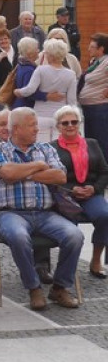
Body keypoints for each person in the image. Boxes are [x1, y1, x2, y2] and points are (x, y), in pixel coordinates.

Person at [0, 107, 82, 310]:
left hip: (46, 213)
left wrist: (24, 173)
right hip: (11, 213)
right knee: (18, 236)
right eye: (32, 125)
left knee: (75, 235)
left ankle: (59, 287)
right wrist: (39, 166)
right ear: (16, 129)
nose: (36, 129)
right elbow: (7, 173)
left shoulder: (46, 149)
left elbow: (60, 177)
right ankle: (34, 288)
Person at [50, 106, 108, 280]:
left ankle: (96, 259)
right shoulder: (51, 148)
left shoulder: (92, 143)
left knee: (105, 215)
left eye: (74, 122)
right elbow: (51, 178)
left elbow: (104, 171)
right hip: (65, 196)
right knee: (70, 226)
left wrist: (95, 188)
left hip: (91, 193)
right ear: (58, 126)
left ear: (79, 124)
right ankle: (67, 266)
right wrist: (70, 189)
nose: (70, 125)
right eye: (65, 123)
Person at [14, 39, 76, 142]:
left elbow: (30, 89)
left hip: (41, 114)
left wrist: (18, 92)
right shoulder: (71, 74)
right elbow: (72, 101)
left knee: (41, 146)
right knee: (58, 146)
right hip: (60, 116)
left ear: (50, 55)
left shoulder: (41, 70)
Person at [80, 33, 108, 157]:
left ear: (101, 49)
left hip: (99, 108)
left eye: (92, 47)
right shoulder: (94, 62)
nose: (88, 49)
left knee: (101, 141)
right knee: (90, 141)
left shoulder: (106, 62)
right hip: (88, 107)